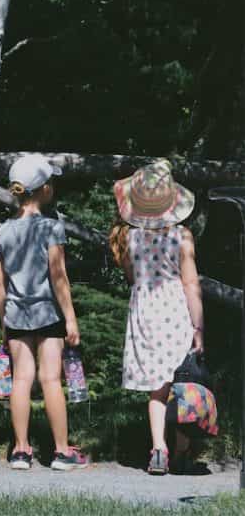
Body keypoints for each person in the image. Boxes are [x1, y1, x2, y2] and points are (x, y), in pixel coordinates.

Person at [0, 155, 87, 472]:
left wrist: (4, 320)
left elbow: (1, 286)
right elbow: (59, 278)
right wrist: (70, 318)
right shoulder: (51, 228)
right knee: (50, 379)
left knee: (21, 379)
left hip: (16, 315)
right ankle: (61, 452)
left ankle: (20, 450)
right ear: (45, 189)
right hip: (48, 313)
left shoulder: (1, 233)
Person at [111, 159, 203, 475]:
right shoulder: (183, 236)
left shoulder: (129, 238)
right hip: (176, 309)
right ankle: (181, 451)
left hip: (145, 312)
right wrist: (198, 326)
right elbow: (191, 283)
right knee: (182, 383)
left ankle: (158, 449)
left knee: (157, 388)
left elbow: (132, 277)